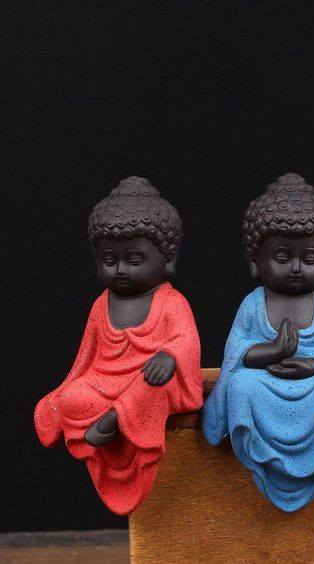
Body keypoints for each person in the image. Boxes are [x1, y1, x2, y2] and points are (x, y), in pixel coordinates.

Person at [204, 172, 314, 512]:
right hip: (264, 383)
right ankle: (264, 459)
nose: (297, 268)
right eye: (283, 259)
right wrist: (271, 351)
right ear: (255, 263)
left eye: (309, 259)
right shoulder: (253, 305)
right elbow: (236, 354)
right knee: (240, 386)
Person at [34, 176, 203, 515]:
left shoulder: (171, 302)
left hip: (154, 383)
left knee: (150, 385)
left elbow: (187, 339)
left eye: (134, 260)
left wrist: (170, 355)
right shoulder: (101, 305)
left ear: (168, 258)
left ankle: (115, 419)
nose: (121, 270)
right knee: (73, 397)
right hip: (108, 382)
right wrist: (64, 391)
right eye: (109, 261)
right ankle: (113, 419)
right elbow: (86, 358)